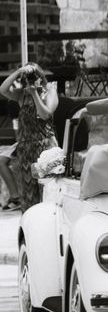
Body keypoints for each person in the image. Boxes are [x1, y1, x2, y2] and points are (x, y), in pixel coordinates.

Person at [0, 63, 58, 212]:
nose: (31, 80)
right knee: (29, 196)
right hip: (27, 150)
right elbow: (2, 89)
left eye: (34, 76)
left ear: (41, 77)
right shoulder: (21, 95)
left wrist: (35, 94)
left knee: (48, 194)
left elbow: (45, 114)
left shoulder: (49, 92)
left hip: (45, 149)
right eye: (27, 78)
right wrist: (19, 71)